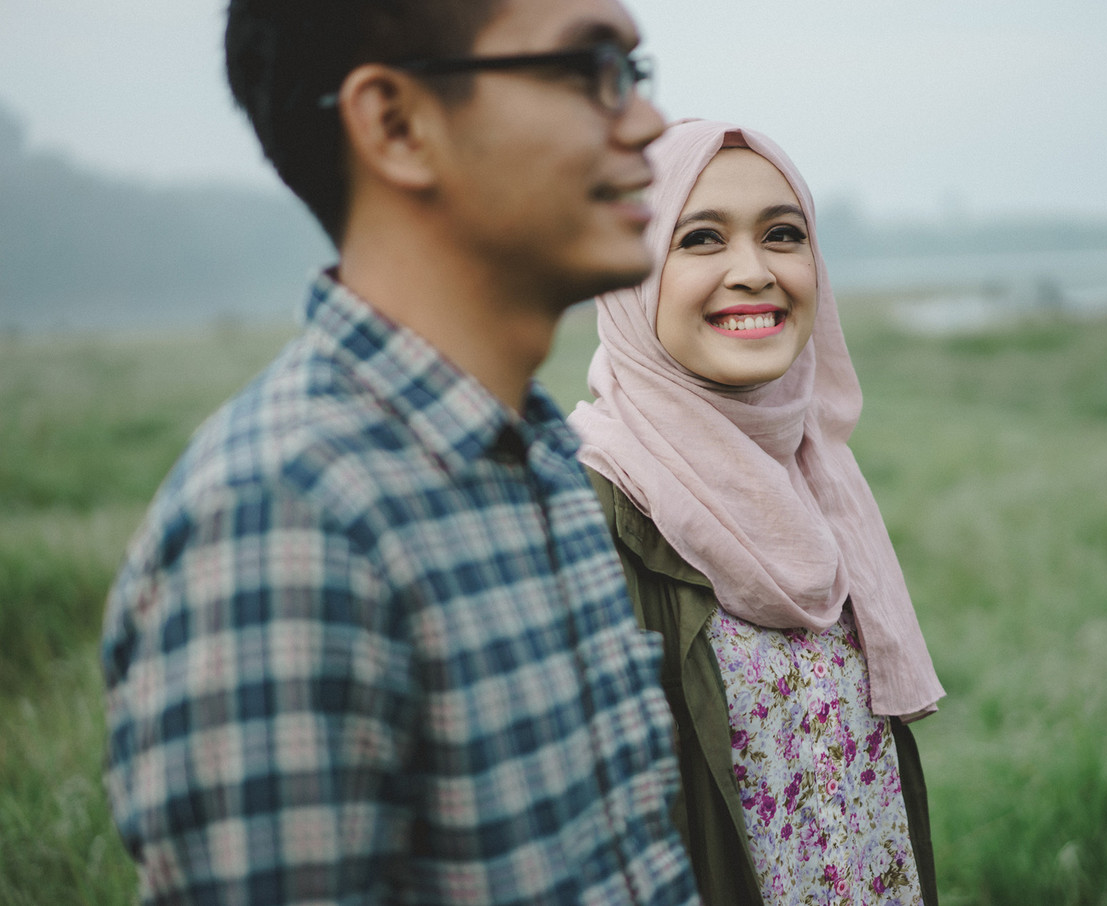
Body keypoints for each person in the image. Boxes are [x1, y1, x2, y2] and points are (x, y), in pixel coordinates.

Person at [100, 0, 700, 902]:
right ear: (396, 125)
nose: (648, 121)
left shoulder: (539, 460)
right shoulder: (285, 526)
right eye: (589, 70)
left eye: (634, 74)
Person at [570, 119, 946, 905]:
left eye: (783, 234)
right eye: (700, 238)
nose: (754, 271)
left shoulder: (820, 482)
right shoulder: (588, 518)